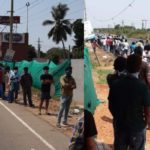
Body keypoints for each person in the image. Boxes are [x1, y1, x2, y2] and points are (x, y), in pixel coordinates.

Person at [108, 54, 150, 150]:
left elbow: (111, 106)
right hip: (137, 127)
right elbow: (147, 111)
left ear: (126, 66)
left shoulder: (115, 84)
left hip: (120, 126)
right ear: (139, 68)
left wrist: (118, 118)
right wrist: (144, 124)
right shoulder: (142, 86)